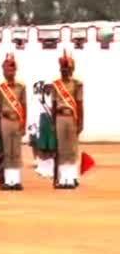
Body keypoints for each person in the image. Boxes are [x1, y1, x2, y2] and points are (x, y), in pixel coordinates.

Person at [0, 53, 27, 191]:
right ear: (3, 71)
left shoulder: (21, 87)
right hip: (5, 121)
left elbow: (24, 106)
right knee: (7, 151)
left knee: (16, 151)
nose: (10, 72)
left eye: (12, 69)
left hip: (17, 120)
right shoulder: (0, 88)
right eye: (7, 69)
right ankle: (8, 180)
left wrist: (24, 123)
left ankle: (17, 180)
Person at [52, 50, 83, 189]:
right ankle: (63, 178)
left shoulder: (77, 84)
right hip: (59, 117)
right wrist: (53, 122)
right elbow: (53, 105)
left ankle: (71, 178)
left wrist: (80, 122)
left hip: (71, 117)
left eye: (67, 69)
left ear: (72, 69)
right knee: (62, 149)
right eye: (63, 69)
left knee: (71, 149)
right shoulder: (55, 84)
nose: (65, 71)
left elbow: (80, 104)